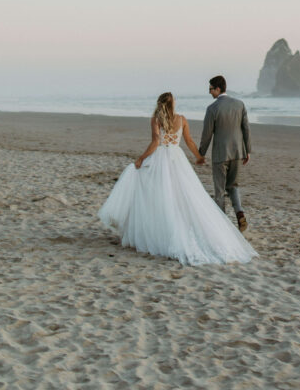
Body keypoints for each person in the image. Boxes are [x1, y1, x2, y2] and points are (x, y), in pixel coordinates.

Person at [98, 92, 256, 266]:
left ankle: (157, 231)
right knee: (182, 193)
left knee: (157, 194)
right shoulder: (181, 119)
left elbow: (155, 142)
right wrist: (198, 156)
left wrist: (141, 158)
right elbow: (188, 141)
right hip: (177, 158)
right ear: (172, 104)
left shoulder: (156, 119)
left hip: (160, 159)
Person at [198, 75, 251, 232]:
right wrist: (247, 151)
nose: (209, 93)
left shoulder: (212, 108)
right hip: (237, 152)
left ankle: (222, 226)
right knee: (233, 185)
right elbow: (246, 129)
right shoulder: (240, 104)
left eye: (211, 89)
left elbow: (206, 134)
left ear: (218, 89)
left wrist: (201, 154)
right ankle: (239, 212)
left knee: (219, 190)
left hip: (220, 154)